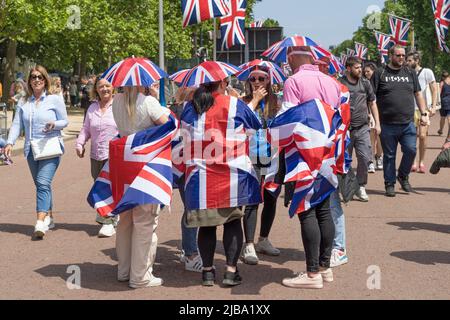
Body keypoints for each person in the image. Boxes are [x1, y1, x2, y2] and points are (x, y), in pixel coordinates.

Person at [180, 78, 261, 287]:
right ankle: (231, 272)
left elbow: (183, 136)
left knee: (206, 225)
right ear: (223, 83)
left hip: (201, 176)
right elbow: (256, 124)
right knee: (232, 222)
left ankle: (207, 272)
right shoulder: (233, 104)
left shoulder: (190, 108)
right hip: (231, 173)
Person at [280, 46, 340, 289]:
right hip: (328, 152)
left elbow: (289, 118)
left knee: (307, 211)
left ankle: (312, 273)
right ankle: (324, 268)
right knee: (324, 209)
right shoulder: (331, 82)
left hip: (304, 153)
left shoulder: (293, 81)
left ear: (293, 60)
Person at [112, 84, 169, 288]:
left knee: (125, 221)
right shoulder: (148, 102)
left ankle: (124, 270)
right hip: (144, 165)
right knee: (145, 222)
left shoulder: (115, 101)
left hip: (122, 164)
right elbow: (169, 125)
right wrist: (157, 99)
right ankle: (140, 275)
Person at [4, 65, 68, 239]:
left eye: (40, 77)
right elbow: (17, 124)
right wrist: (9, 142)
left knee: (42, 182)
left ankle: (40, 222)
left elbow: (65, 121)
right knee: (42, 185)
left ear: (45, 80)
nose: (37, 80)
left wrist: (54, 124)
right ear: (29, 81)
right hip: (31, 150)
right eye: (33, 77)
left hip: (50, 148)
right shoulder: (24, 102)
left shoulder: (54, 99)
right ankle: (50, 216)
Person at [371, 45, 429, 197]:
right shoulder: (380, 72)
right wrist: (374, 119)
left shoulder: (410, 72)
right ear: (390, 56)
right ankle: (389, 184)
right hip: (387, 123)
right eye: (398, 55)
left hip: (407, 123)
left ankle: (403, 176)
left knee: (411, 150)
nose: (401, 58)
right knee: (389, 156)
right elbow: (372, 99)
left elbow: (418, 94)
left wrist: (424, 113)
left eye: (403, 56)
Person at [240, 66, 282, 265]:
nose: (256, 82)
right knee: (252, 200)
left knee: (271, 198)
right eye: (253, 78)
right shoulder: (243, 102)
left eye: (261, 78)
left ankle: (263, 239)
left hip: (273, 155)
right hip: (251, 156)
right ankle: (248, 244)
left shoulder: (277, 102)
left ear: (268, 81)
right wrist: (254, 100)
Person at [76, 77, 119, 237]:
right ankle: (112, 216)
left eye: (107, 86)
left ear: (113, 88)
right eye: (101, 86)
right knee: (98, 184)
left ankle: (107, 221)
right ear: (96, 89)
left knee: (107, 187)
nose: (104, 89)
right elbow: (86, 128)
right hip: (96, 155)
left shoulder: (118, 105)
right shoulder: (92, 107)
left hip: (114, 155)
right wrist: (80, 144)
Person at [339, 56, 381, 202]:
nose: (360, 70)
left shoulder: (365, 83)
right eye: (357, 68)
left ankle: (361, 185)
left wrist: (377, 123)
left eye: (361, 67)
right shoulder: (340, 84)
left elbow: (373, 102)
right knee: (345, 161)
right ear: (348, 69)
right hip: (345, 130)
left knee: (365, 157)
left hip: (362, 127)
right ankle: (346, 187)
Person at [406, 51, 437, 173]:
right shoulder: (406, 72)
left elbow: (434, 89)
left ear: (417, 61)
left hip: (424, 109)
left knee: (423, 136)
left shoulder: (427, 72)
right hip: (409, 108)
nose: (407, 62)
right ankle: (413, 162)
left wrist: (434, 106)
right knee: (412, 137)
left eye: (409, 60)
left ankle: (422, 161)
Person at [364, 62, 383, 171]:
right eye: (365, 72)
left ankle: (379, 157)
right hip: (370, 113)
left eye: (368, 71)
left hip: (381, 112)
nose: (366, 73)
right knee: (371, 137)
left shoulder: (380, 82)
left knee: (380, 137)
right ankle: (370, 160)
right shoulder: (364, 83)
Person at [439, 71, 450, 139]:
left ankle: (441, 130)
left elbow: (439, 93)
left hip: (443, 102)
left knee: (443, 117)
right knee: (449, 118)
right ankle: (443, 131)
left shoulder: (442, 83)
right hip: (448, 101)